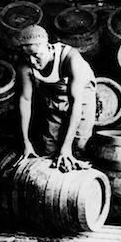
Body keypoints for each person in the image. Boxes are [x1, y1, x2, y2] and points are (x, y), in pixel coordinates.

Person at [16, 24, 96, 172]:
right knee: (49, 147)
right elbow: (25, 100)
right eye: (27, 56)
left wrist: (66, 149)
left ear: (47, 46)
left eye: (36, 55)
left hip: (81, 95)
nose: (32, 61)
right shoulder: (25, 65)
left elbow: (75, 104)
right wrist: (26, 142)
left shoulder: (71, 58)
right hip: (53, 94)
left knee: (79, 144)